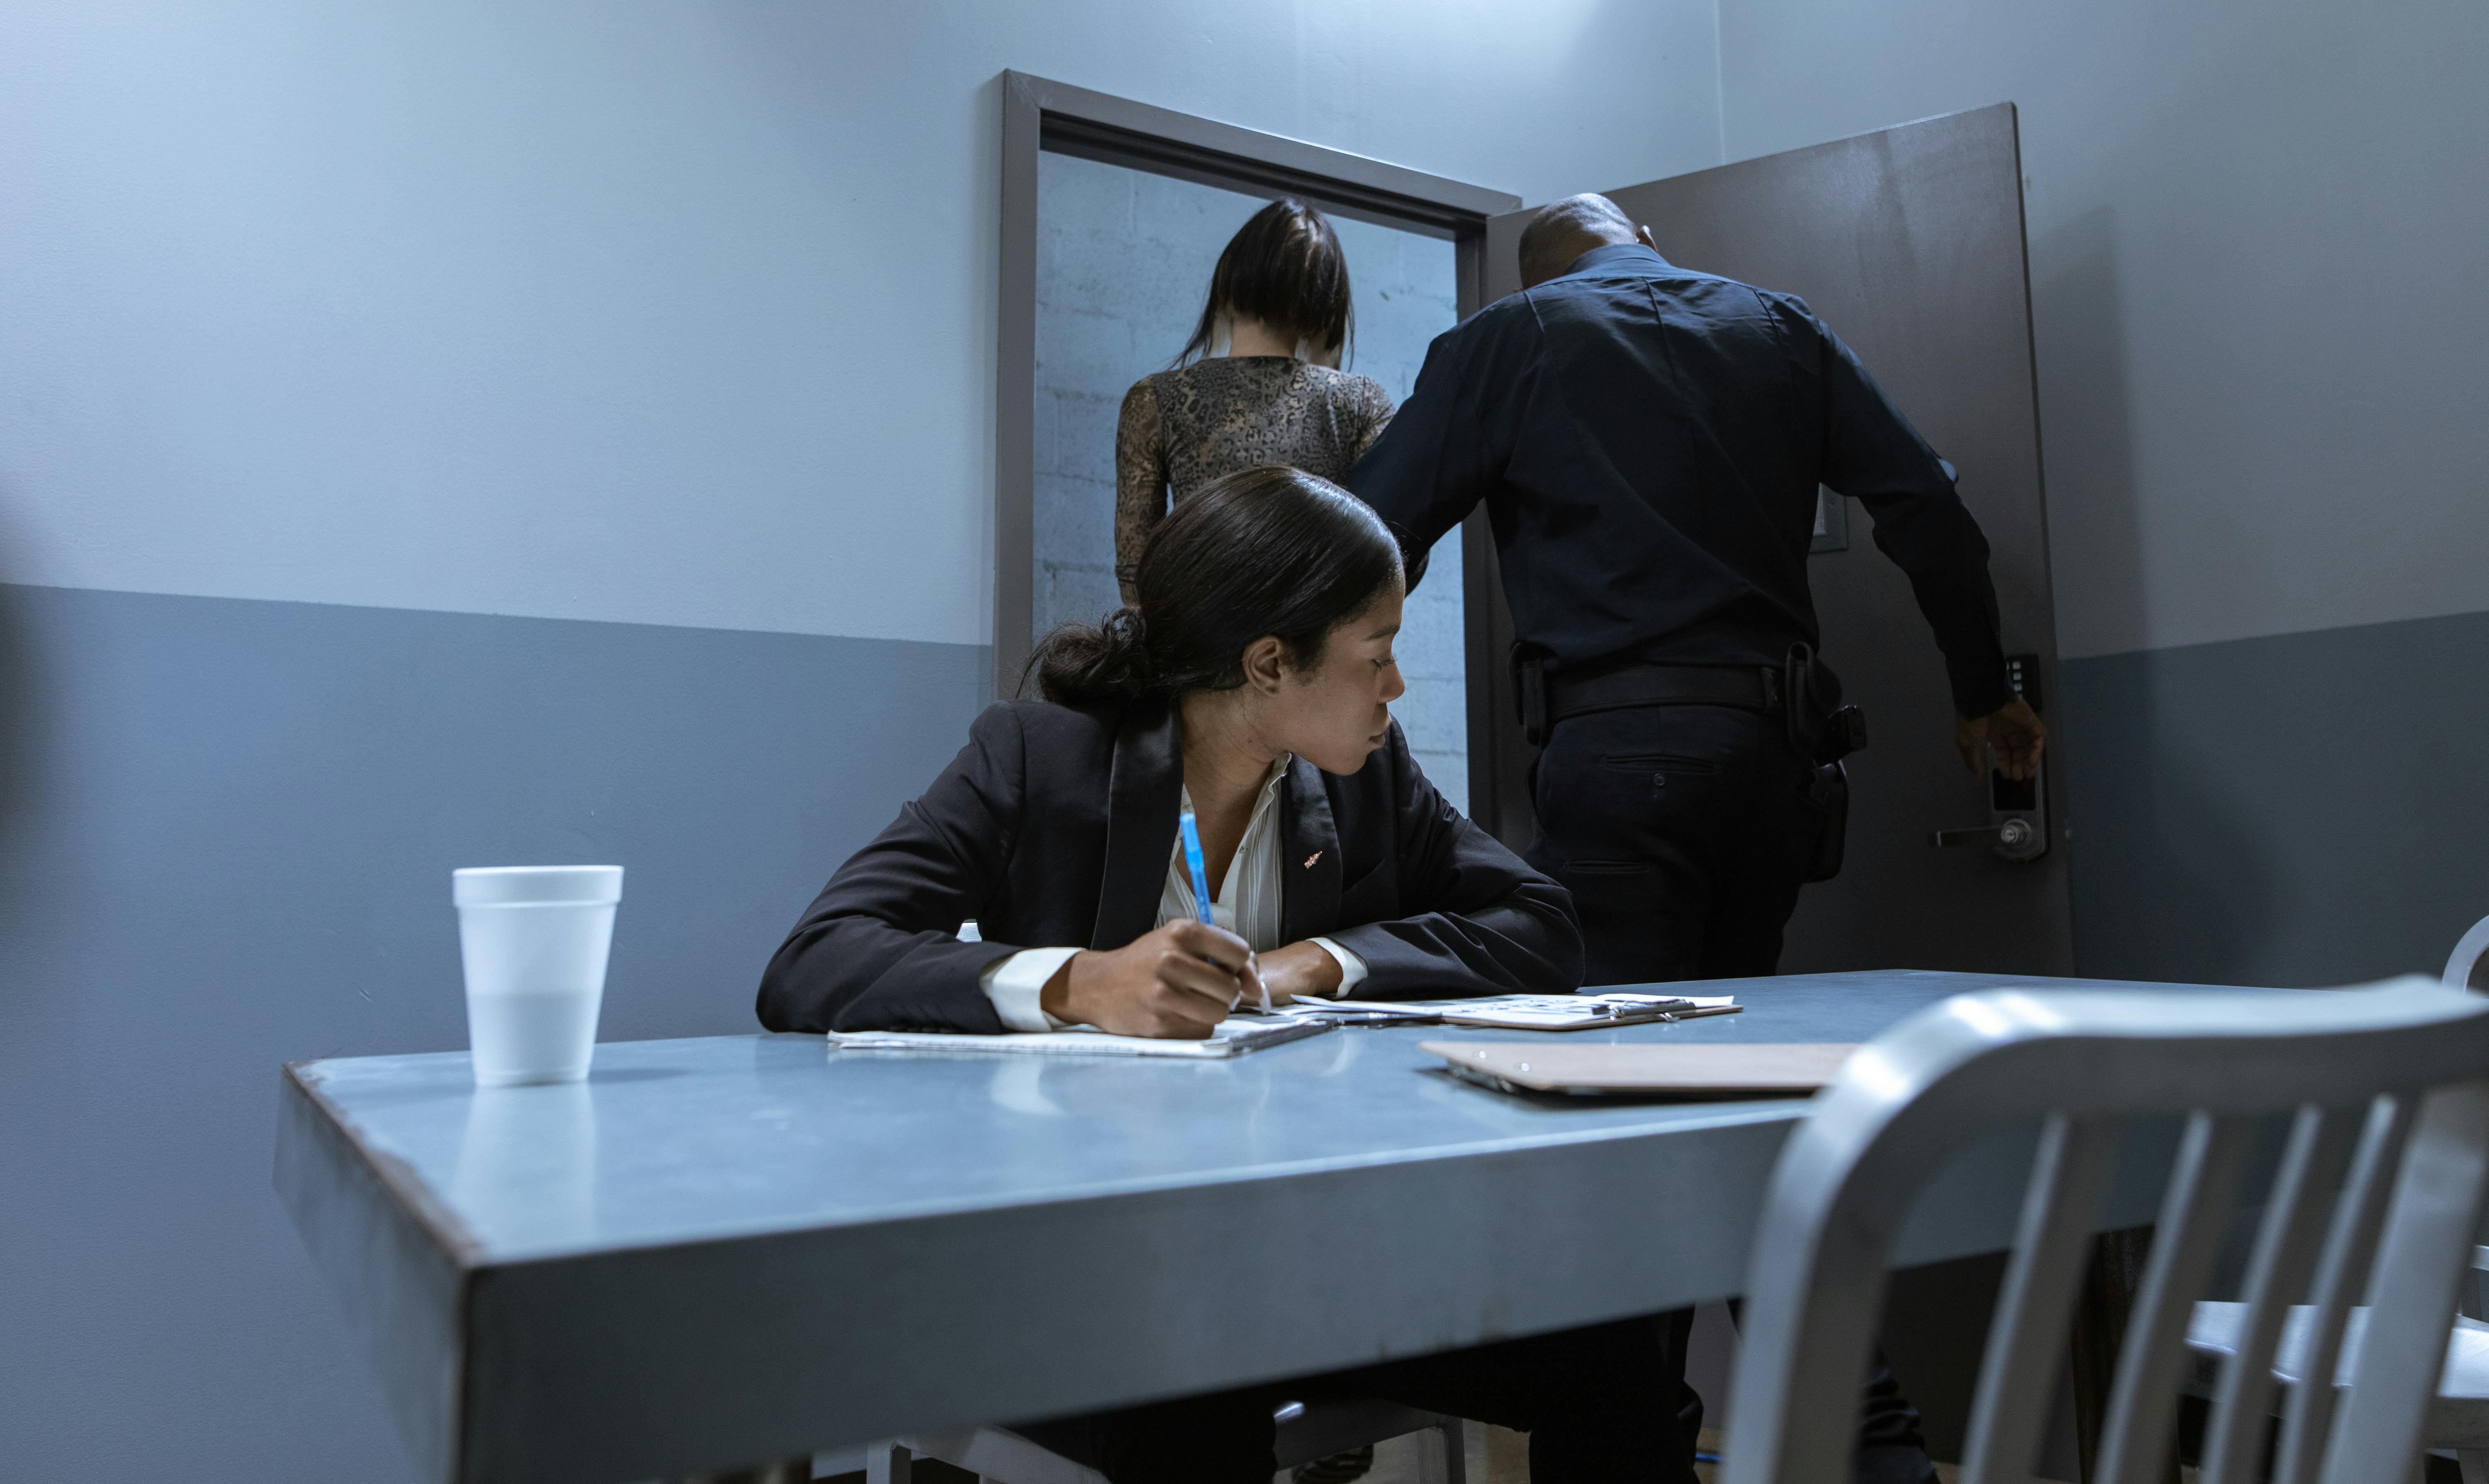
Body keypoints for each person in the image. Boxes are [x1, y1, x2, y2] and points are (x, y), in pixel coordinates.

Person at [757, 466, 1699, 1483]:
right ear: (1267, 662)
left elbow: (1540, 920)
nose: (1393, 687)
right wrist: (1080, 983)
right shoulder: (1039, 755)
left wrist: (1323, 961)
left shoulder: (1367, 777)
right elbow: (815, 957)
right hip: (1087, 1268)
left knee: (1607, 1348)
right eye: (1376, 654)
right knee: (1194, 1376)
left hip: (1302, 1257)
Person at [1348, 194, 2049, 1483]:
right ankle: (1870, 1443)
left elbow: (1360, 536)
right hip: (1772, 776)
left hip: (1619, 773)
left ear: (1536, 267)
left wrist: (1319, 716)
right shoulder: (1780, 328)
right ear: (1645, 242)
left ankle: (1645, 1449)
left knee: (1622, 1141)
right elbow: (1929, 510)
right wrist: (1978, 690)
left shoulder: (1508, 338)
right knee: (1721, 1116)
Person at [1112, 199, 1394, 606]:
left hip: (1201, 642)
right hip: (1319, 644)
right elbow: (1391, 553)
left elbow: (1135, 578)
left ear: (1228, 279)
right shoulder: (1360, 402)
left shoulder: (1155, 400)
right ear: (1326, 301)